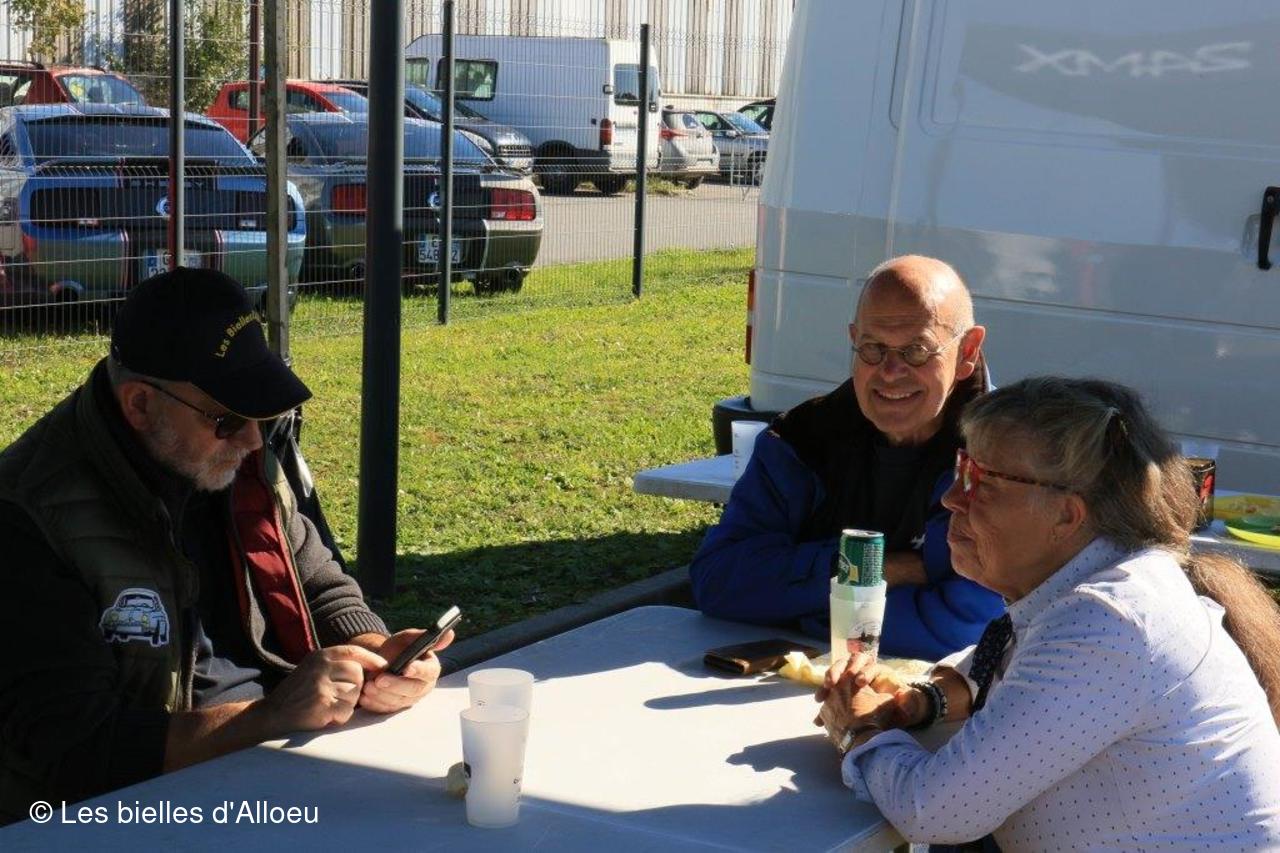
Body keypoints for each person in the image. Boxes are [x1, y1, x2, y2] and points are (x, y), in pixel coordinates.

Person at [0, 268, 453, 824]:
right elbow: (78, 753)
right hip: (137, 811)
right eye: (228, 417)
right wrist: (269, 716)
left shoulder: (226, 456)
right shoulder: (29, 518)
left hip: (271, 764)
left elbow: (315, 579)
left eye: (261, 411)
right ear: (140, 404)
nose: (253, 438)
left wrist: (379, 651)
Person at [816, 377, 1280, 849]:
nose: (951, 498)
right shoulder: (1108, 591)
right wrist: (920, 700)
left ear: (1066, 515)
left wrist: (859, 730)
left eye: (982, 481)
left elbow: (933, 810)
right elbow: (1005, 670)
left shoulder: (1110, 621)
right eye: (961, 468)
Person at [690, 255, 1004, 660]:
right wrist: (881, 569)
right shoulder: (801, 440)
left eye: (916, 350)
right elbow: (718, 582)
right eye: (873, 348)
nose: (890, 371)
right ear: (854, 339)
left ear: (967, 352)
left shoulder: (1009, 462)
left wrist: (805, 612)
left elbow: (968, 628)